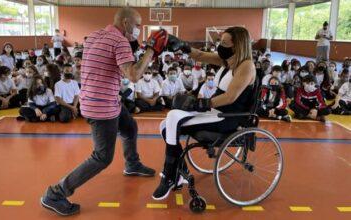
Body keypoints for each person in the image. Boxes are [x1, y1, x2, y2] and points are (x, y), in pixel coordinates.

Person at [41, 7, 165, 216]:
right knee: (102, 157)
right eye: (137, 25)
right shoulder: (119, 41)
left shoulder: (96, 35)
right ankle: (55, 193)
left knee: (129, 127)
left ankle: (132, 163)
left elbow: (107, 65)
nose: (139, 29)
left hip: (99, 99)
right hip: (102, 107)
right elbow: (134, 75)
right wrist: (151, 50)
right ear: (125, 23)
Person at [152, 26, 257, 200]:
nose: (219, 46)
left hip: (226, 117)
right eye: (220, 41)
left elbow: (231, 97)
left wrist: (202, 103)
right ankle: (180, 170)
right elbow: (199, 55)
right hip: (214, 111)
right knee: (165, 126)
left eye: (224, 43)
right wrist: (181, 45)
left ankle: (171, 176)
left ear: (237, 46)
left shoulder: (246, 66)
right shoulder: (228, 61)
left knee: (172, 117)